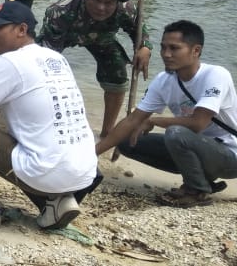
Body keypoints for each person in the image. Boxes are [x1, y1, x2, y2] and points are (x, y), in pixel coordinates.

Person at [0, 1, 97, 230]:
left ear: (22, 30)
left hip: (45, 173)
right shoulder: (56, 58)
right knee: (31, 134)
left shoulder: (11, 61)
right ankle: (57, 202)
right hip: (84, 172)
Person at [96, 20, 237, 207]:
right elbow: (133, 119)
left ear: (195, 51)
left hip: (229, 154)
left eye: (174, 48)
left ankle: (197, 190)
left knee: (175, 132)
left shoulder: (216, 75)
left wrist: (154, 120)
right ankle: (203, 180)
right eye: (163, 48)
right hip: (196, 148)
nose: (166, 54)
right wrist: (91, 155)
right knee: (126, 141)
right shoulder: (164, 80)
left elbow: (198, 123)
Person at [37, 0, 152, 138]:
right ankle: (44, 121)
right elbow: (48, 55)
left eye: (108, 3)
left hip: (102, 39)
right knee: (42, 72)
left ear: (117, 2)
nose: (101, 8)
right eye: (97, 0)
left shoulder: (125, 9)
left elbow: (139, 31)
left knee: (118, 75)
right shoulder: (60, 12)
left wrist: (144, 48)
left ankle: (107, 133)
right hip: (65, 36)